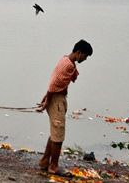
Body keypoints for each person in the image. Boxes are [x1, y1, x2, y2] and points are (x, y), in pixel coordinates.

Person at [36, 39, 93, 176]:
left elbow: (54, 82)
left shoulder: (66, 60)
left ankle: (45, 161)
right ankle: (53, 166)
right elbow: (55, 84)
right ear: (79, 52)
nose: (85, 59)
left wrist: (46, 98)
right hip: (56, 101)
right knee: (58, 136)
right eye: (85, 56)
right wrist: (47, 101)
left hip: (56, 99)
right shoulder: (68, 65)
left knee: (55, 132)